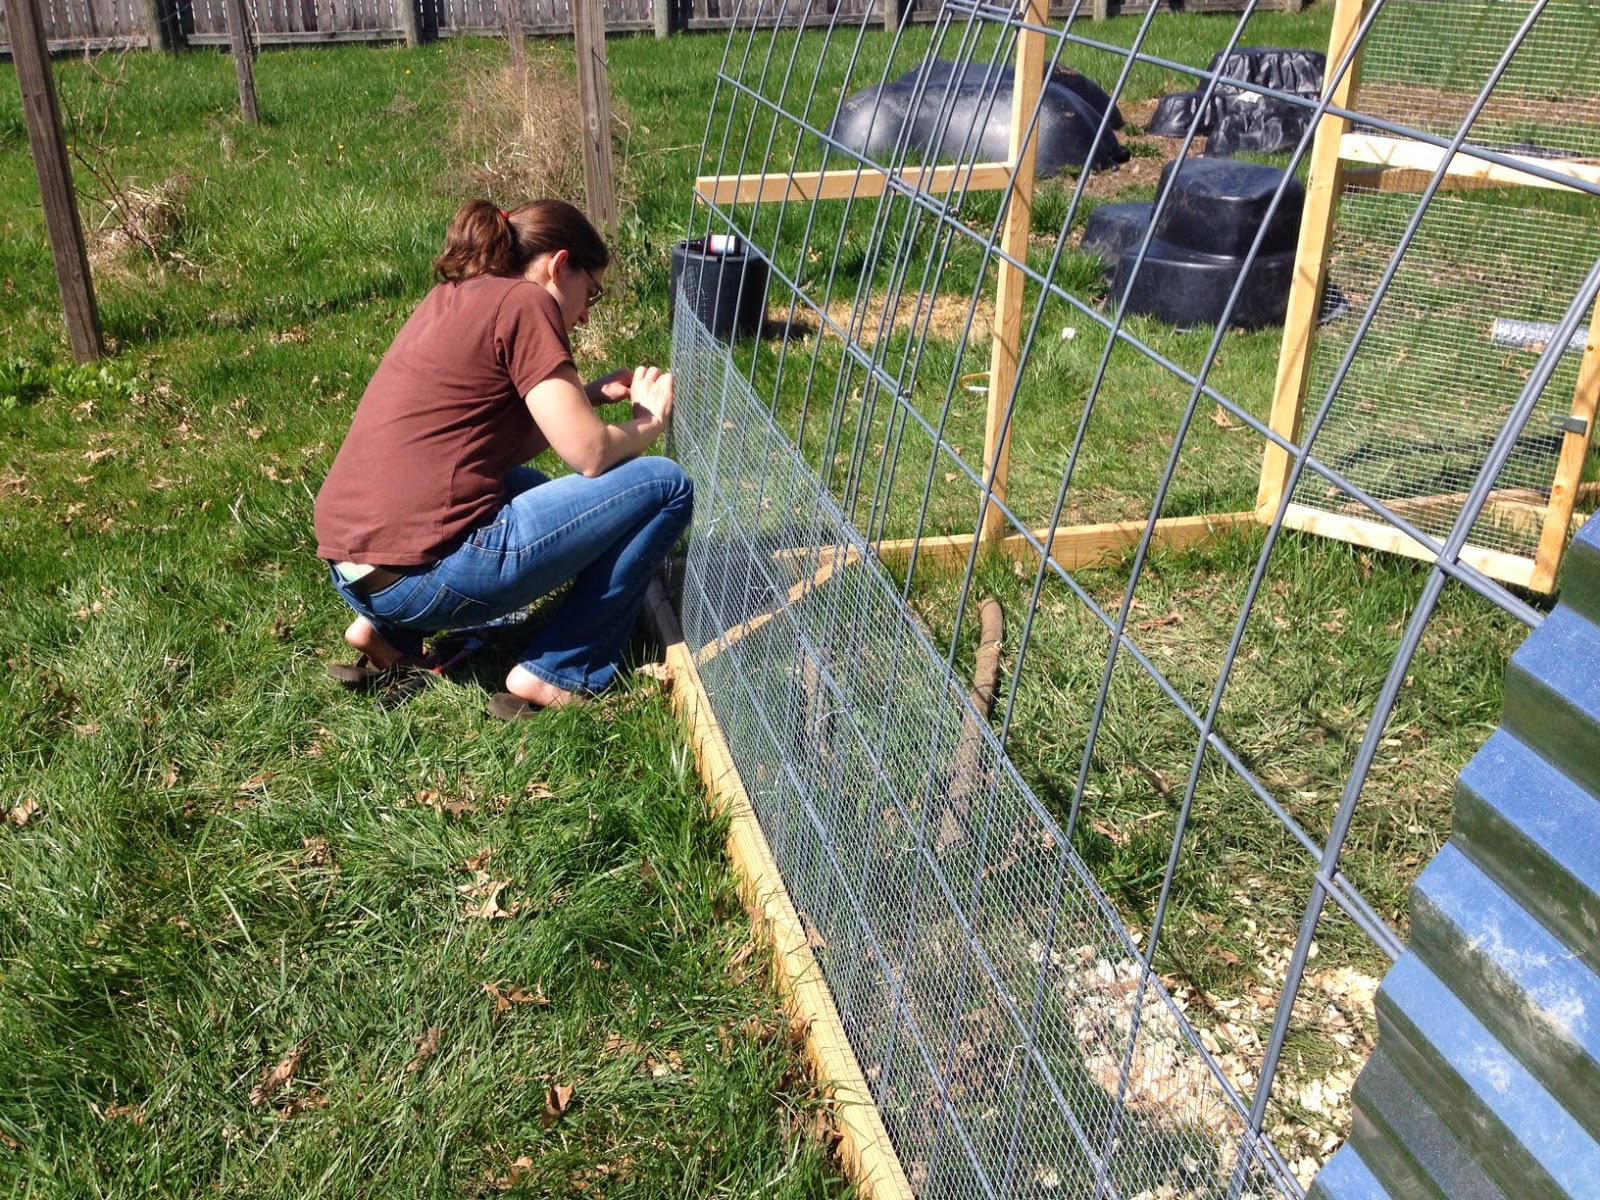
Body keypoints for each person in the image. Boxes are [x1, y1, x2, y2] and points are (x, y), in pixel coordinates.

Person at [313, 198, 693, 718]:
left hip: (354, 567)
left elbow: (493, 449)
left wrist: (593, 395)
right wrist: (650, 421)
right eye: (592, 293)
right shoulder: (524, 303)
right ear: (559, 265)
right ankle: (560, 672)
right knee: (666, 485)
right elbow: (589, 453)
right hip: (418, 578)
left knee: (521, 483)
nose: (583, 314)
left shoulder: (452, 296)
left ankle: (386, 633)